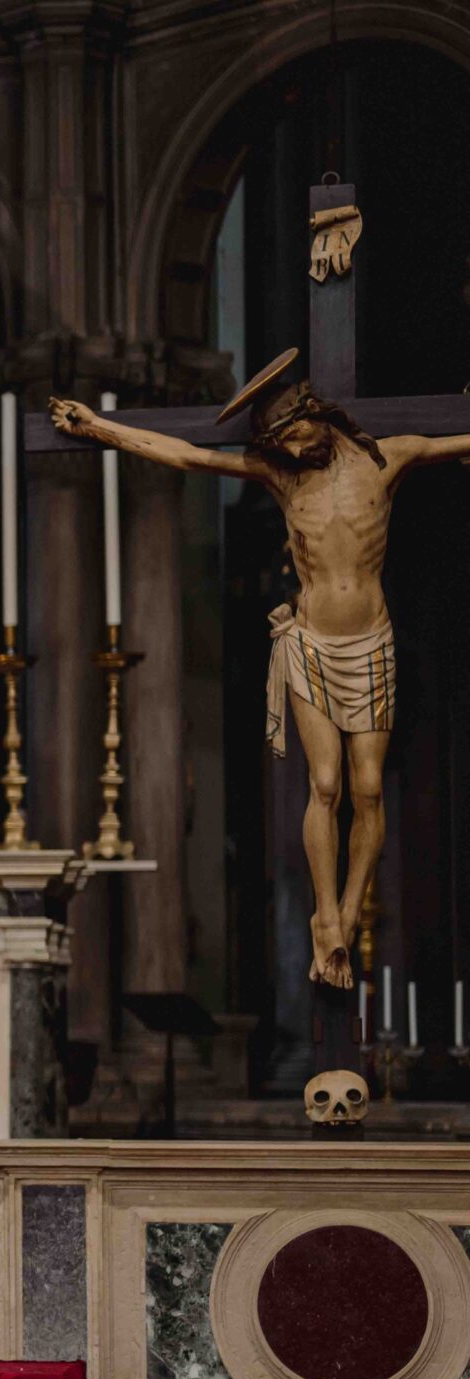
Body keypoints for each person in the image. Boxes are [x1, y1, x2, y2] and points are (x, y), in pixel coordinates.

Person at [52, 355, 470, 987]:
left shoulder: (388, 457)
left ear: (314, 416)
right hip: (308, 644)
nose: (288, 450)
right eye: (277, 444)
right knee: (324, 783)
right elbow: (188, 457)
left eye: (292, 436)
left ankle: (350, 909)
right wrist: (98, 428)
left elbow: (455, 441)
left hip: (371, 644)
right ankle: (324, 917)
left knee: (369, 789)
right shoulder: (280, 477)